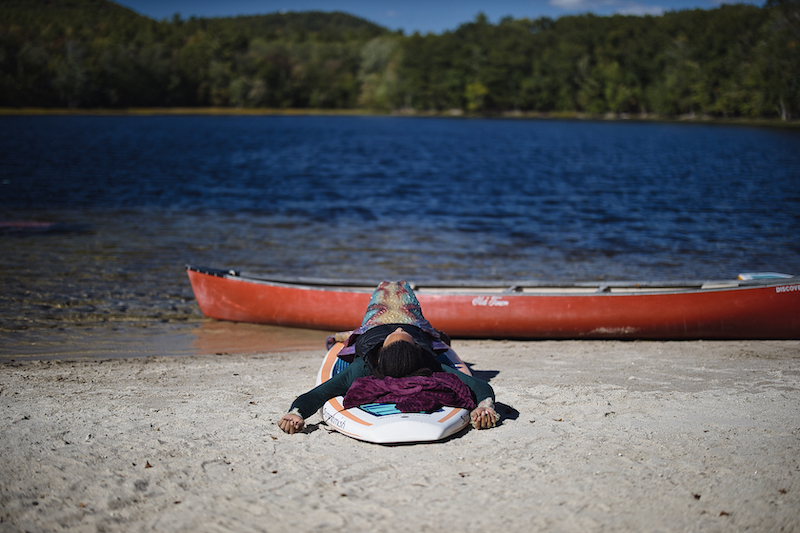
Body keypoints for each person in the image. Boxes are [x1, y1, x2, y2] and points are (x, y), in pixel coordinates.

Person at [278, 281, 498, 434]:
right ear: (418, 349)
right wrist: (485, 405)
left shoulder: (359, 368)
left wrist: (296, 413)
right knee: (403, 289)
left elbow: (319, 394)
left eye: (397, 335)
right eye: (401, 335)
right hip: (414, 322)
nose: (399, 330)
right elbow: (479, 386)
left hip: (374, 324)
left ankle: (351, 334)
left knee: (386, 286)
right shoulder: (430, 361)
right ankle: (436, 335)